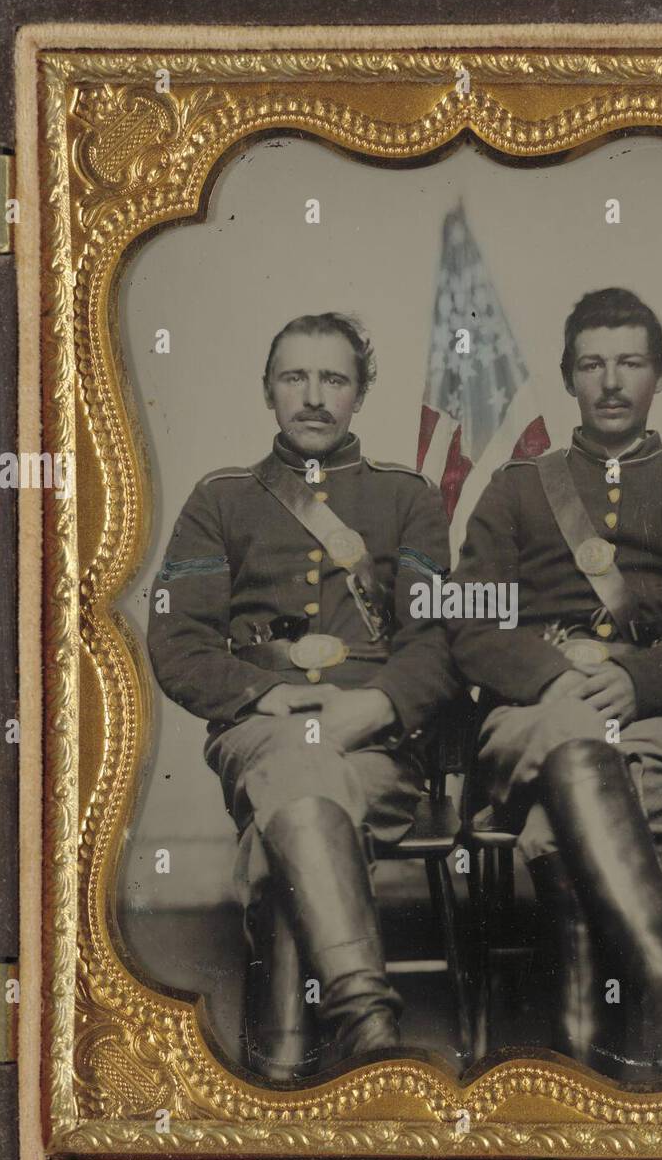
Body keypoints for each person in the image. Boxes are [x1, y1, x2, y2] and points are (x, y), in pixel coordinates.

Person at [448, 287, 662, 1080]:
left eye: (630, 362)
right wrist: (559, 679)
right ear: (568, 379)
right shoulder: (517, 491)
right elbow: (468, 624)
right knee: (574, 738)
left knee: (572, 797)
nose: (612, 382)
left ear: (660, 374)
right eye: (592, 365)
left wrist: (638, 681)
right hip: (533, 712)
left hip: (655, 724)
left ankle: (578, 1031)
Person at [147, 312, 457, 1080]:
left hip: (375, 745)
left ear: (360, 395)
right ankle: (368, 1022)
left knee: (292, 796)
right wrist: (259, 694)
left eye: (334, 379)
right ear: (267, 390)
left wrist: (375, 707)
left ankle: (284, 1057)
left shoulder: (408, 497)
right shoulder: (220, 499)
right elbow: (178, 642)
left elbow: (440, 642)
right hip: (261, 728)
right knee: (293, 758)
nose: (314, 397)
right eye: (295, 377)